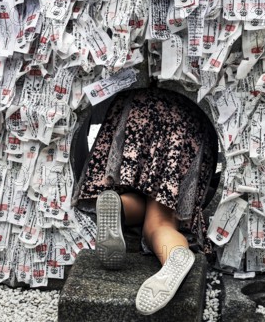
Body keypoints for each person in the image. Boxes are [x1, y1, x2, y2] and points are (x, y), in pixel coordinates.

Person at [75, 87, 218, 315]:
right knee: (159, 222)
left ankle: (120, 206)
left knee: (135, 189)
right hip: (185, 114)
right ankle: (172, 254)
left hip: (135, 108)